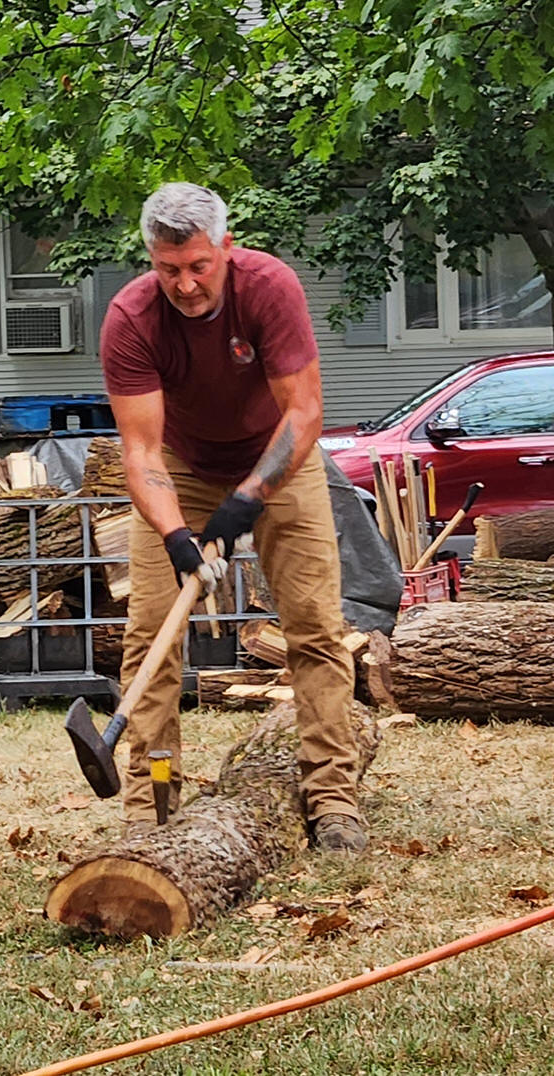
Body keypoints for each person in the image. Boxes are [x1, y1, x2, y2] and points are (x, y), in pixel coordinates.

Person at [100, 183, 364, 851]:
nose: (185, 285)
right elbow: (142, 451)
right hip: (181, 468)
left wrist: (247, 500)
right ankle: (152, 801)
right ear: (151, 258)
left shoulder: (268, 287)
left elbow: (304, 412)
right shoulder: (132, 317)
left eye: (198, 265)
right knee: (151, 638)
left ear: (226, 247)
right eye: (169, 269)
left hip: (281, 457)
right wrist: (175, 534)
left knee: (314, 627)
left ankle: (332, 798)